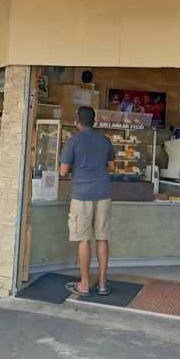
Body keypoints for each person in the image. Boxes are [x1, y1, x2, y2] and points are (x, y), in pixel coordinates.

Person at [59, 105, 115, 297]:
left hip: (82, 194)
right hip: (103, 192)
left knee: (84, 239)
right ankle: (102, 284)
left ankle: (83, 284)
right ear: (95, 121)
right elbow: (112, 166)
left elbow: (63, 171)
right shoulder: (105, 140)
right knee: (102, 237)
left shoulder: (73, 141)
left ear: (77, 121)